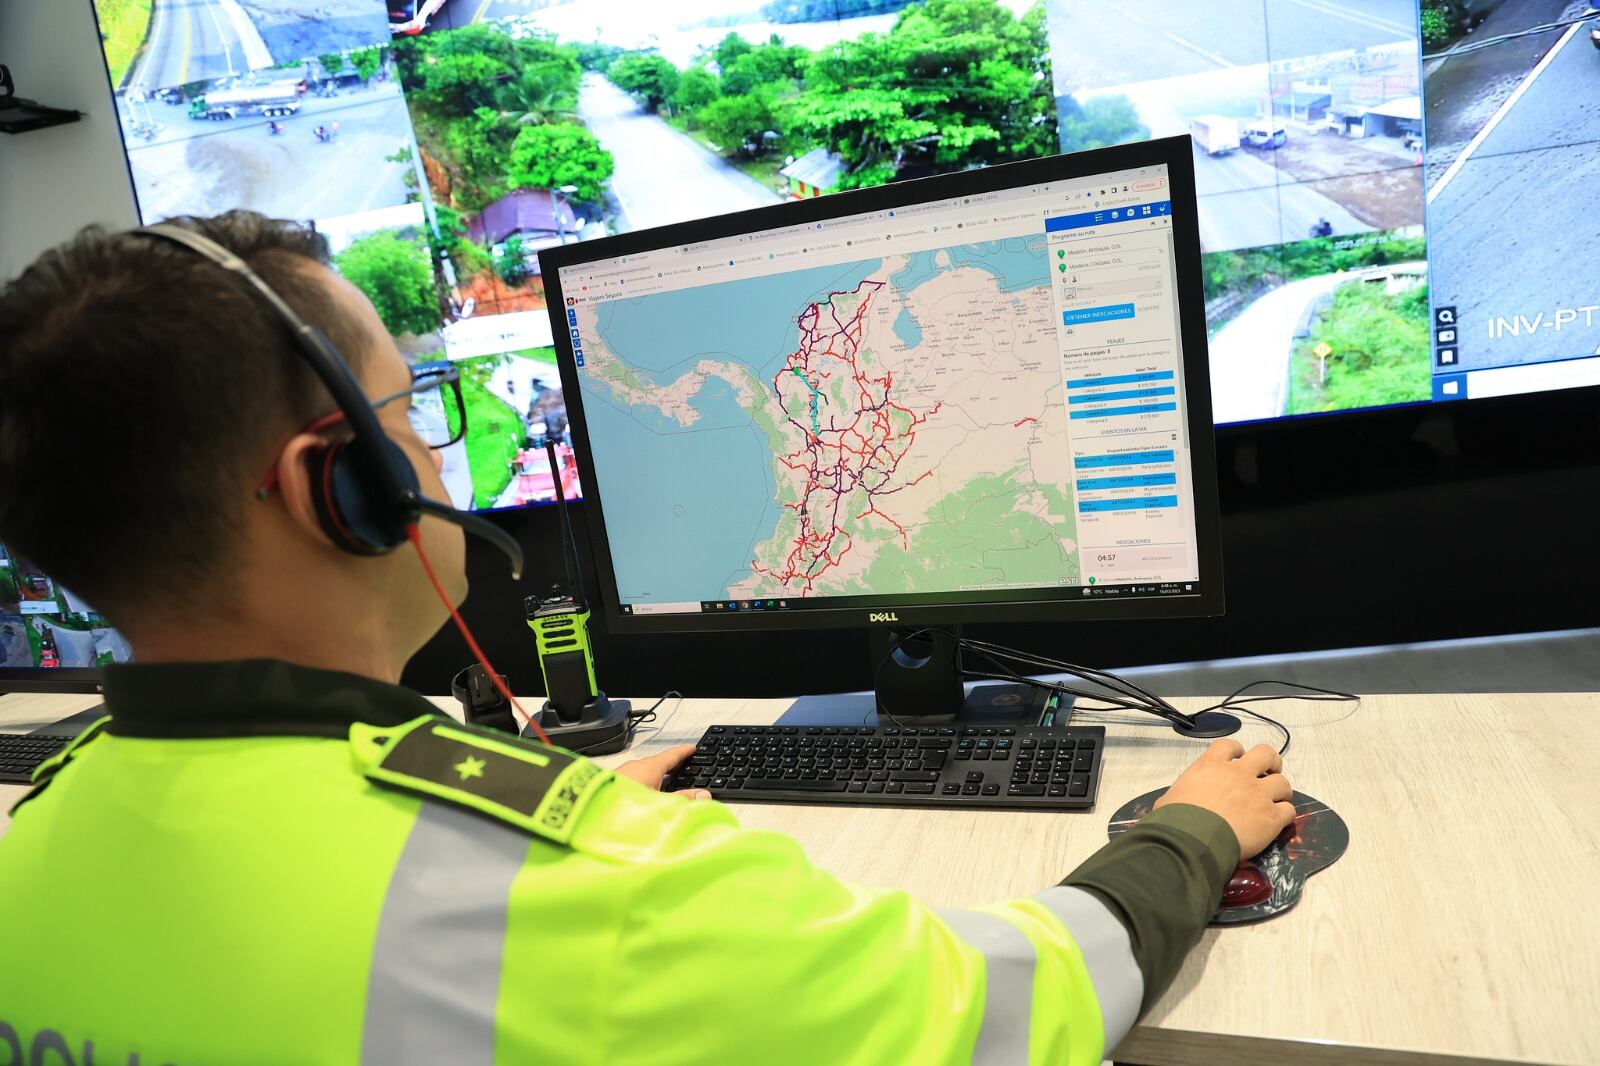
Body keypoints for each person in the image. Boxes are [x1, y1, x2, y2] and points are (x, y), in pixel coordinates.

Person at [0, 213, 1295, 1063]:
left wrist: (520, 806)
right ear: (338, 485)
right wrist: (1190, 827)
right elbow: (1001, 1009)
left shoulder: (35, 842)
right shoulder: (599, 884)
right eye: (410, 408)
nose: (430, 454)